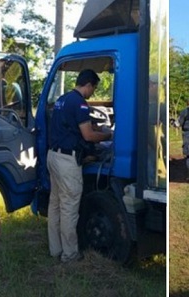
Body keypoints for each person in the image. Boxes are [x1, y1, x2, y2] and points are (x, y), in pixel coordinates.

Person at [47, 69, 112, 263]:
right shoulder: (81, 104)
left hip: (53, 155)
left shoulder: (62, 99)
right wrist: (108, 135)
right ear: (89, 85)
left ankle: (55, 249)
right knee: (69, 207)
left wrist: (95, 129)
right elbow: (88, 136)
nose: (93, 92)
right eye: (94, 88)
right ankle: (70, 254)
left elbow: (71, 127)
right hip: (67, 161)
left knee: (55, 205)